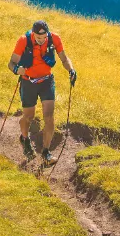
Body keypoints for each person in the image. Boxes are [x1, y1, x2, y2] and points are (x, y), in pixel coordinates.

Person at [7, 20, 76, 164]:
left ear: (47, 34)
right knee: (28, 117)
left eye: (44, 37)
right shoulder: (23, 41)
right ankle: (24, 139)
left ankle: (46, 152)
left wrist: (71, 69)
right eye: (38, 38)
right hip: (28, 82)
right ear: (33, 34)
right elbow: (11, 63)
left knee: (49, 117)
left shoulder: (54, 38)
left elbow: (64, 58)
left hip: (47, 81)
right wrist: (16, 70)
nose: (41, 40)